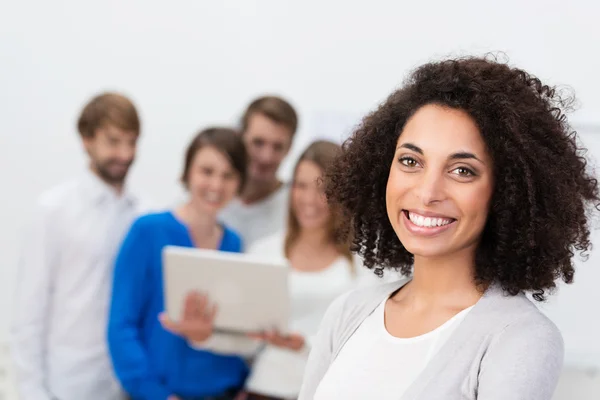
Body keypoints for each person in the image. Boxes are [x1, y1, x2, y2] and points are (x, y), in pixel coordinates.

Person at [298, 56, 600, 400]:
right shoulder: (348, 313)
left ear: (505, 192)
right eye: (411, 162)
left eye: (462, 170)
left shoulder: (519, 337)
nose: (427, 193)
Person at [10, 92, 148, 400]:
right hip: (68, 385)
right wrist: (32, 392)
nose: (124, 153)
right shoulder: (53, 210)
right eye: (113, 141)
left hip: (126, 386)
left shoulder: (144, 216)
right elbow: (28, 312)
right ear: (87, 139)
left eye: (132, 141)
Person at [107, 127, 250, 400]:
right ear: (187, 173)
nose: (216, 185)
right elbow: (121, 326)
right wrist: (155, 394)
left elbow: (231, 331)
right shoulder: (147, 231)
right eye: (207, 171)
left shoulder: (234, 243)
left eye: (228, 175)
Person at [235, 140, 356, 400]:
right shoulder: (263, 252)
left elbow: (367, 338)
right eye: (300, 186)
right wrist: (202, 333)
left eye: (321, 188)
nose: (308, 199)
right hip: (267, 389)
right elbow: (244, 339)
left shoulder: (362, 263)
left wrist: (306, 344)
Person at [219, 95, 298, 248]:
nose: (266, 157)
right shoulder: (211, 195)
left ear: (289, 148)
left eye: (278, 146)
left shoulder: (298, 208)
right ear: (240, 136)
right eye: (258, 143)